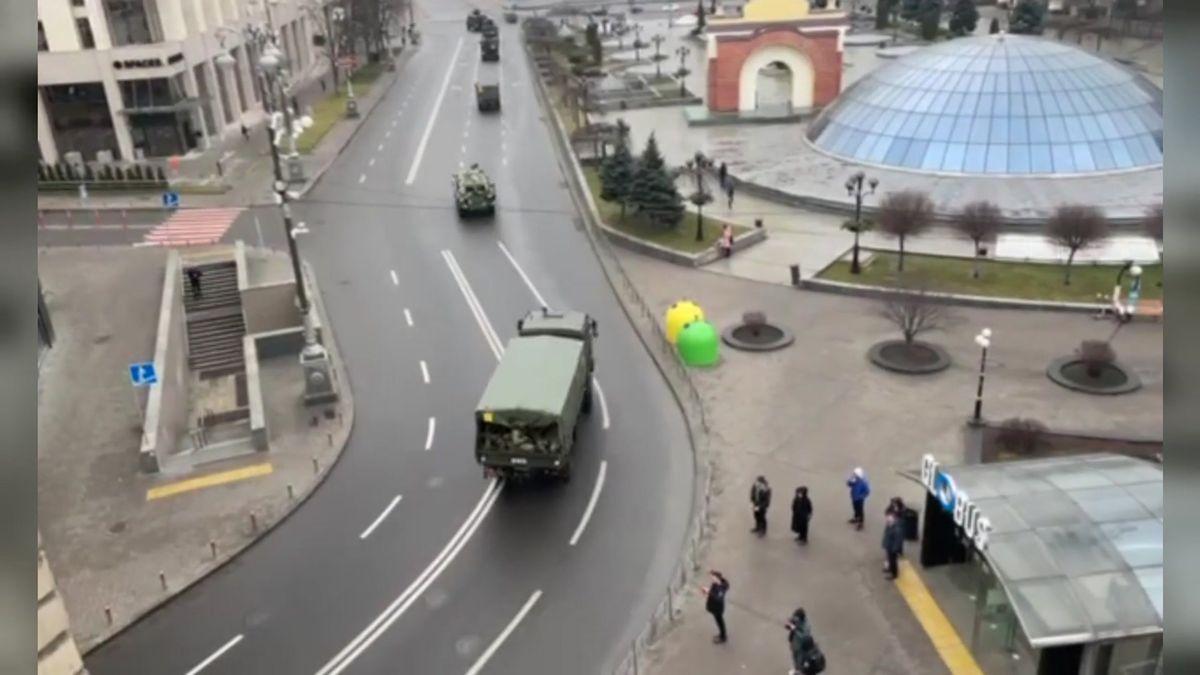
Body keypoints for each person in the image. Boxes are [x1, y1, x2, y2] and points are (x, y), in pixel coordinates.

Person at [700, 570, 730, 643]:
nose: (711, 579)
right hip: (715, 607)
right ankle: (721, 635)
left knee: (720, 622)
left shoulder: (721, 588)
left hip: (718, 608)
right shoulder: (715, 584)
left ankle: (723, 637)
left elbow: (718, 598)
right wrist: (707, 593)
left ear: (717, 578)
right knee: (718, 621)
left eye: (713, 577)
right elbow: (712, 593)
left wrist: (708, 592)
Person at [882, 512, 904, 580]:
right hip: (889, 546)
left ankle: (894, 574)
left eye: (888, 519)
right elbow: (886, 535)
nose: (887, 519)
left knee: (893, 561)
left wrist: (895, 549)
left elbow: (898, 541)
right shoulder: (889, 525)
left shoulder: (897, 529)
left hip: (892, 548)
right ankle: (890, 568)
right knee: (889, 559)